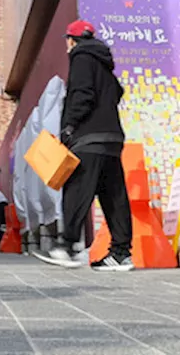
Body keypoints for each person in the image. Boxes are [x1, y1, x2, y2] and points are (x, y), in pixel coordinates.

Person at [41, 20, 134, 273]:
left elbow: (83, 94)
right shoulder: (104, 64)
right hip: (112, 137)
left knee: (76, 189)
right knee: (113, 195)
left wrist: (69, 126)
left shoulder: (81, 58)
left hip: (88, 137)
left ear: (72, 40)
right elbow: (117, 91)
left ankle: (67, 246)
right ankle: (121, 254)